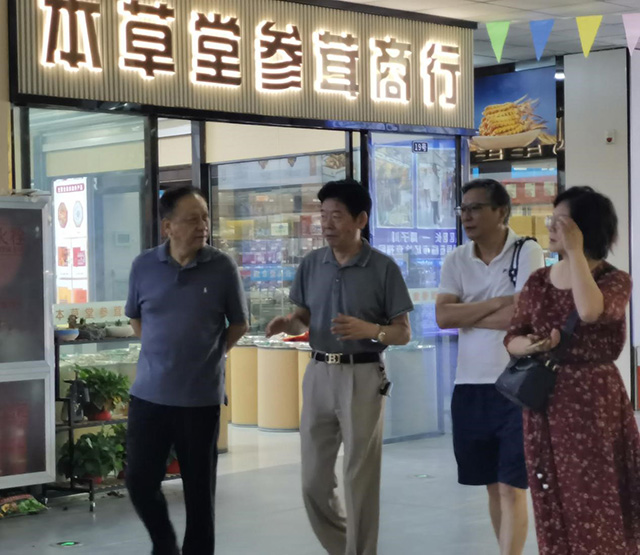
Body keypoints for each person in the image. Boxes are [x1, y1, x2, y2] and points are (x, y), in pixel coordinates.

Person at [266, 179, 413, 555]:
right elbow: (302, 317)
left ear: (360, 219)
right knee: (313, 481)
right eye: (323, 215)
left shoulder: (383, 268)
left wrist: (371, 330)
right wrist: (289, 324)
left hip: (363, 375)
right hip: (318, 373)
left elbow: (402, 332)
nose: (327, 224)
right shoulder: (312, 264)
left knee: (359, 478)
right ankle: (342, 547)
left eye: (337, 216)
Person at [505, 186, 640, 554]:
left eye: (561, 222)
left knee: (596, 492)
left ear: (584, 229)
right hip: (544, 400)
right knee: (550, 490)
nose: (551, 227)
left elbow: (590, 311)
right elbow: (512, 337)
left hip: (594, 403)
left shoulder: (614, 279)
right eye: (553, 220)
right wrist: (532, 346)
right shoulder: (538, 281)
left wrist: (576, 253)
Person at [124, 185, 249, 555]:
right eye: (192, 219)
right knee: (139, 481)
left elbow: (239, 323)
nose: (203, 226)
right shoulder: (143, 266)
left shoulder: (222, 267)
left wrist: (211, 355)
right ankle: (164, 545)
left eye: (205, 218)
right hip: (149, 395)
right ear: (168, 227)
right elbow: (136, 318)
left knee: (199, 494)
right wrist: (163, 353)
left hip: (199, 399)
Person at [436, 178, 545, 555]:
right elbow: (443, 316)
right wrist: (499, 303)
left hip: (516, 386)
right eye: (463, 209)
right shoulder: (456, 259)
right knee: (492, 485)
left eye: (476, 208)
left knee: (512, 486)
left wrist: (467, 313)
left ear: (501, 212)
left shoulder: (527, 250)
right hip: (469, 386)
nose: (467, 216)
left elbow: (524, 316)